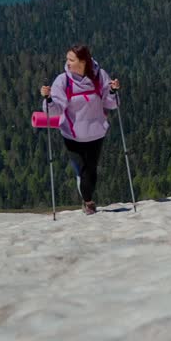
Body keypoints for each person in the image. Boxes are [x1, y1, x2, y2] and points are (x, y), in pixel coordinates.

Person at [40, 45, 121, 215]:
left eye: (71, 60)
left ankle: (86, 196)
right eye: (67, 59)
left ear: (83, 62)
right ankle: (89, 202)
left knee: (90, 169)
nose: (67, 63)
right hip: (72, 135)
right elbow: (54, 110)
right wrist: (48, 100)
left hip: (96, 133)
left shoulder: (100, 76)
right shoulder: (63, 81)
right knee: (84, 169)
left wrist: (113, 91)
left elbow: (111, 103)